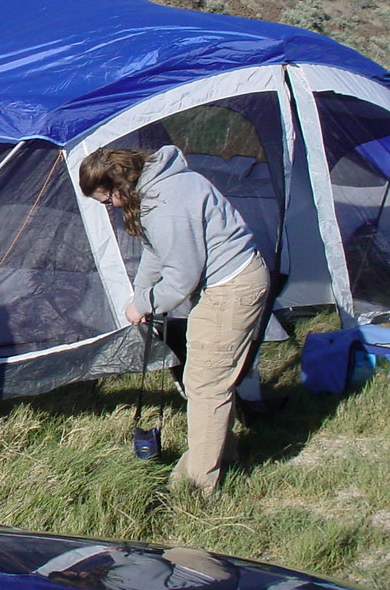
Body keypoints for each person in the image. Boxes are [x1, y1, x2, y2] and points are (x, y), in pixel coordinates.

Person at [78, 146, 269, 495]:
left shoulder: (165, 203)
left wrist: (146, 306)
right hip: (225, 284)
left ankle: (195, 487)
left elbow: (182, 277)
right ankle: (224, 456)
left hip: (231, 287)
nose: (112, 208)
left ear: (119, 183)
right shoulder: (154, 189)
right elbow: (156, 251)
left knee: (206, 385)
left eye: (108, 200)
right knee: (206, 379)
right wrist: (140, 295)